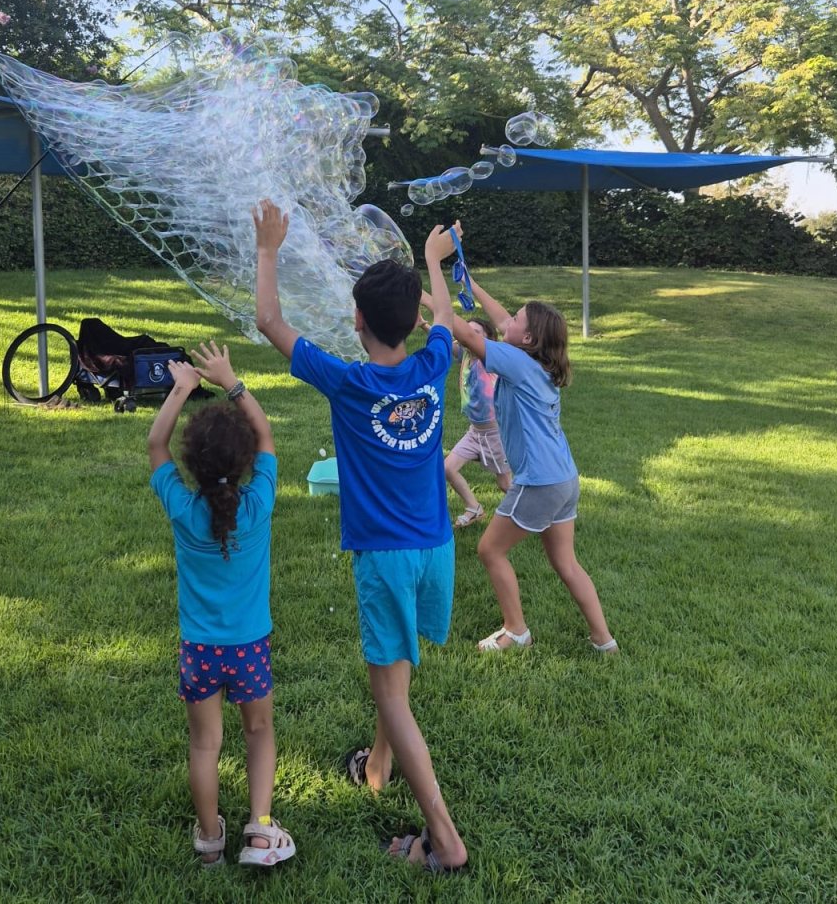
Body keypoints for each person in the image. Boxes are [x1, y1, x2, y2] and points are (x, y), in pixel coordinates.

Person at [254, 199, 468, 874]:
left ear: (357, 319)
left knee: (391, 694)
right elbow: (446, 322)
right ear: (410, 322)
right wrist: (434, 263)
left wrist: (268, 248)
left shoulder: (348, 384)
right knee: (398, 673)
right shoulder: (434, 364)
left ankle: (445, 839)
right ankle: (377, 767)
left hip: (385, 557)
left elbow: (269, 322)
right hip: (437, 548)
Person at [148, 340, 295, 870]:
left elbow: (155, 446)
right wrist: (231, 381)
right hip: (249, 647)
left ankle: (209, 841)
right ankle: (259, 830)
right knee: (258, 732)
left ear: (191, 463)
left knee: (205, 745)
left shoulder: (183, 509)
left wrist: (181, 388)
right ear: (246, 463)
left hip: (200, 651)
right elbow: (267, 435)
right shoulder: (257, 504)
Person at [421, 265, 619, 655]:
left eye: (515, 319)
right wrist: (471, 284)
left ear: (526, 337)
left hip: (541, 482)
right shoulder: (537, 363)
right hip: (565, 479)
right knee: (566, 563)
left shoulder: (514, 363)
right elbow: (497, 318)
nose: (505, 319)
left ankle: (516, 631)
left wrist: (427, 299)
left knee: (489, 550)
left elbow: (462, 331)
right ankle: (604, 640)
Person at [442, 316, 512, 528]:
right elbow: (444, 343)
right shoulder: (465, 356)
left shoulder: (487, 359)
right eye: (466, 332)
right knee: (447, 468)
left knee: (505, 483)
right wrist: (426, 324)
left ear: (487, 339)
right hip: (474, 432)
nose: (467, 336)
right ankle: (474, 508)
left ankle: (541, 514)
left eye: (475, 333)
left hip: (494, 433)